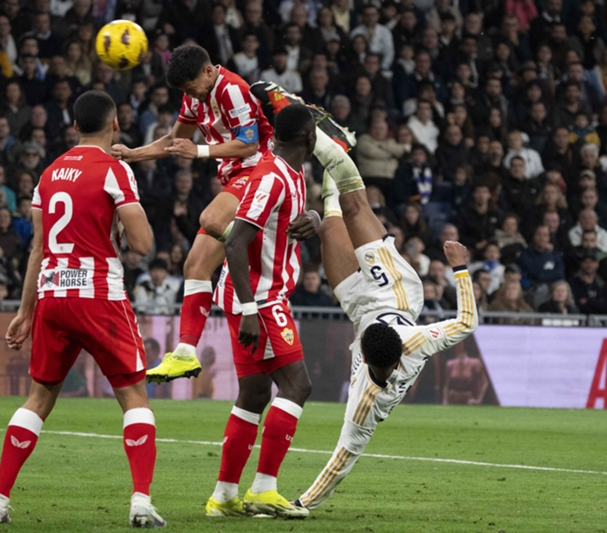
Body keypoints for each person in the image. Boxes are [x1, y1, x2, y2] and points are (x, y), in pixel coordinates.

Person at [0, 91, 165, 528]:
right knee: (134, 397)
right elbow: (143, 245)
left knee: (39, 398)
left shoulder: (48, 175)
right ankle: (141, 501)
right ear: (115, 123)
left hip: (51, 296)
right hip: (99, 296)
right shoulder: (115, 170)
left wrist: (25, 312)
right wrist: (122, 222)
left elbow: (37, 249)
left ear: (74, 125)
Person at [291, 126, 477, 511]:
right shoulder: (417, 340)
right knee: (356, 207)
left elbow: (340, 462)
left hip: (362, 309)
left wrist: (301, 504)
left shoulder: (364, 403)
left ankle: (334, 152)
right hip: (395, 293)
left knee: (329, 226)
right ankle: (331, 141)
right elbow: (466, 323)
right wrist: (460, 269)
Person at [111, 44, 276, 383]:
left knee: (211, 220)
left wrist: (200, 150)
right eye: (185, 91)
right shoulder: (194, 97)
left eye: (191, 87)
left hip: (262, 173)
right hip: (235, 177)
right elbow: (174, 141)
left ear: (207, 71)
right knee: (194, 265)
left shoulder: (233, 89)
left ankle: (257, 246)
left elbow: (248, 144)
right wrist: (131, 154)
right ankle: (186, 353)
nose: (191, 95)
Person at [206, 104, 317, 519]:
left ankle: (223, 496)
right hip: (261, 299)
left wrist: (314, 218)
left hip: (259, 296)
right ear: (308, 139)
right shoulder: (271, 177)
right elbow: (235, 242)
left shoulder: (292, 172)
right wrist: (250, 309)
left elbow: (283, 224)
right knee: (297, 386)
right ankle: (264, 489)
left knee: (254, 394)